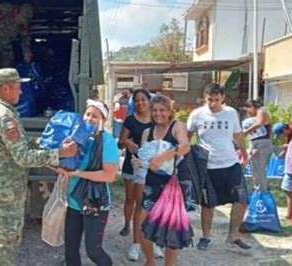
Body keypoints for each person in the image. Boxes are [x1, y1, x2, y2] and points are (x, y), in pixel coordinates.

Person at [0, 68, 77, 266]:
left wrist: (45, 142)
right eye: (17, 88)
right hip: (7, 189)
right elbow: (22, 157)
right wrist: (60, 154)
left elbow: (16, 145)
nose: (21, 92)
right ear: (5, 88)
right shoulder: (6, 118)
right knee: (7, 239)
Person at [51, 99, 119, 266]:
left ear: (103, 120)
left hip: (95, 203)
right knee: (70, 250)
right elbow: (64, 168)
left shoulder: (107, 141)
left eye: (95, 116)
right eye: (87, 114)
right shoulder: (76, 139)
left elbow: (109, 176)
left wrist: (79, 173)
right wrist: (48, 159)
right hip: (75, 202)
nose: (89, 119)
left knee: (93, 251)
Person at [186, 83, 251, 253]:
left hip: (231, 164)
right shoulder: (197, 115)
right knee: (208, 205)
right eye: (210, 100)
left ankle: (233, 235)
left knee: (242, 199)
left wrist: (244, 153)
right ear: (205, 97)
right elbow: (187, 137)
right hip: (208, 166)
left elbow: (238, 134)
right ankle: (206, 237)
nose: (213, 104)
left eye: (217, 100)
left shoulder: (231, 113)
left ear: (223, 98)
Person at [132, 95, 191, 266]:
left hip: (173, 186)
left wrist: (163, 156)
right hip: (152, 184)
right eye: (155, 110)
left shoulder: (177, 126)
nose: (158, 114)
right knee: (142, 228)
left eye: (162, 110)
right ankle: (150, 260)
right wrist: (140, 163)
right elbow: (146, 158)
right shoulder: (147, 132)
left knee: (170, 230)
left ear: (170, 111)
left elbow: (185, 146)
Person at [117, 89, 155, 261]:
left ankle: (145, 236)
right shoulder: (130, 120)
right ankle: (127, 225)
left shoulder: (156, 119)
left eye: (143, 100)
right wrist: (126, 142)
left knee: (146, 202)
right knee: (130, 198)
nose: (140, 103)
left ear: (149, 101)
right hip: (131, 164)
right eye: (137, 100)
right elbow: (119, 143)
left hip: (150, 167)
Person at [242, 99, 274, 191]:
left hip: (262, 143)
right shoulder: (252, 117)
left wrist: (246, 132)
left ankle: (262, 191)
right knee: (255, 171)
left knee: (260, 170)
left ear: (251, 107)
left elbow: (259, 123)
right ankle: (258, 189)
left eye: (248, 109)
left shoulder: (261, 111)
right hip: (254, 142)